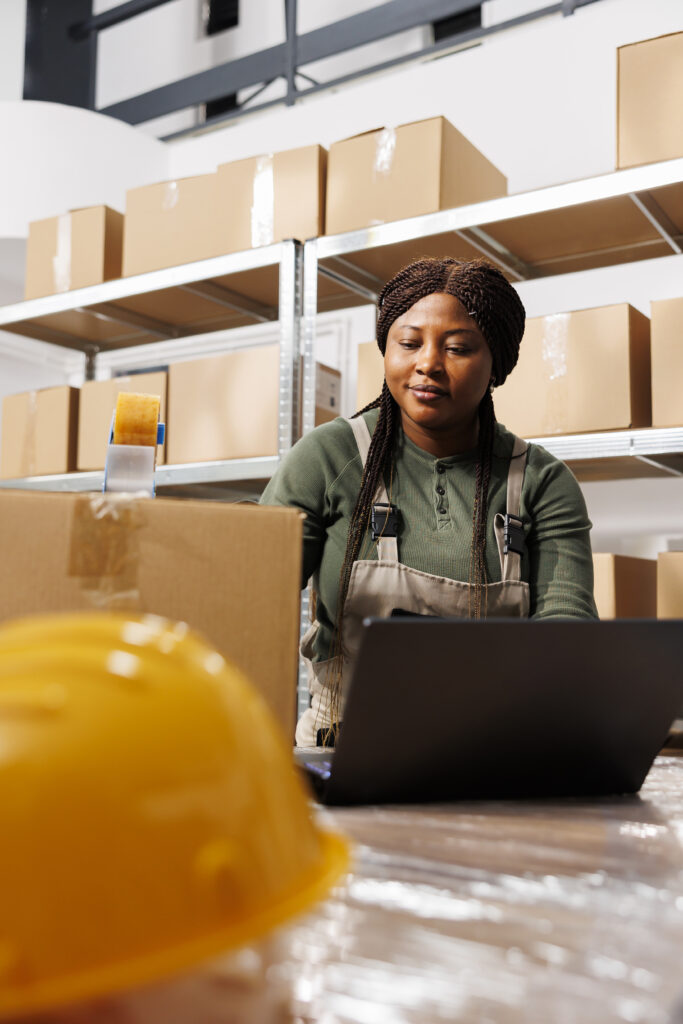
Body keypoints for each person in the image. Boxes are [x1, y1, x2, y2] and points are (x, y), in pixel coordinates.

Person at [260, 257, 598, 747]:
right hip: (344, 749)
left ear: (495, 364)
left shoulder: (540, 481)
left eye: (458, 347)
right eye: (409, 343)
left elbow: (567, 631)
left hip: (493, 753)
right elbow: (255, 592)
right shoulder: (329, 458)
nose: (428, 364)